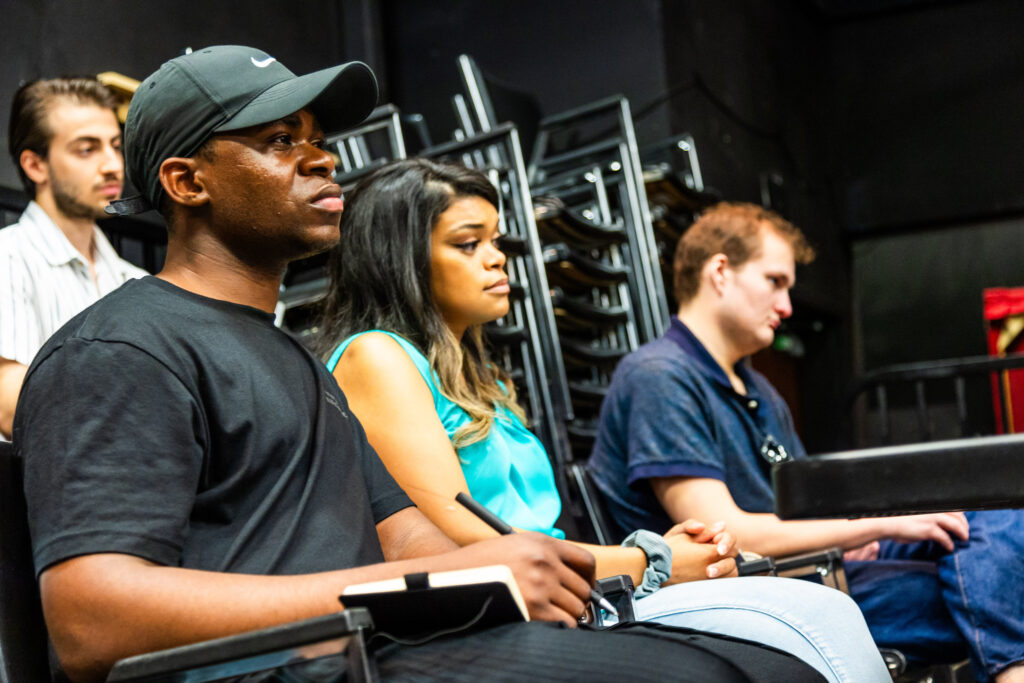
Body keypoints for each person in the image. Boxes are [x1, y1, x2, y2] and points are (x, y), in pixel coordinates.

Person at [14, 47, 826, 683]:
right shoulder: (120, 348)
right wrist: (397, 596)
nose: (322, 159)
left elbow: (409, 542)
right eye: (276, 142)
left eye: (317, 140)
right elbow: (90, 621)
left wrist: (573, 561)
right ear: (187, 181)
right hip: (289, 669)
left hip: (363, 653)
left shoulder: (296, 359)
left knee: (767, 660)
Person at [315, 159, 890, 683]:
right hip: (506, 609)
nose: (496, 257)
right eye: (468, 244)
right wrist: (654, 560)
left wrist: (654, 555)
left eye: (495, 240)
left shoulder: (480, 377)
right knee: (818, 615)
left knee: (813, 621)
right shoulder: (376, 356)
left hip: (569, 589)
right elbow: (455, 540)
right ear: (400, 259)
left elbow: (536, 540)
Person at [587, 201, 1024, 682]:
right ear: (720, 272)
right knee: (996, 590)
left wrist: (859, 529)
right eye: (775, 282)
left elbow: (808, 511)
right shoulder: (658, 376)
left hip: (819, 563)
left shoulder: (758, 389)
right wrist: (874, 526)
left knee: (991, 512)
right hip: (752, 586)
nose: (787, 307)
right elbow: (725, 534)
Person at [0, 77, 147, 438]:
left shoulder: (137, 282)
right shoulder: (8, 256)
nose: (113, 165)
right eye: (87, 149)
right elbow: (10, 406)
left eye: (115, 146)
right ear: (36, 166)